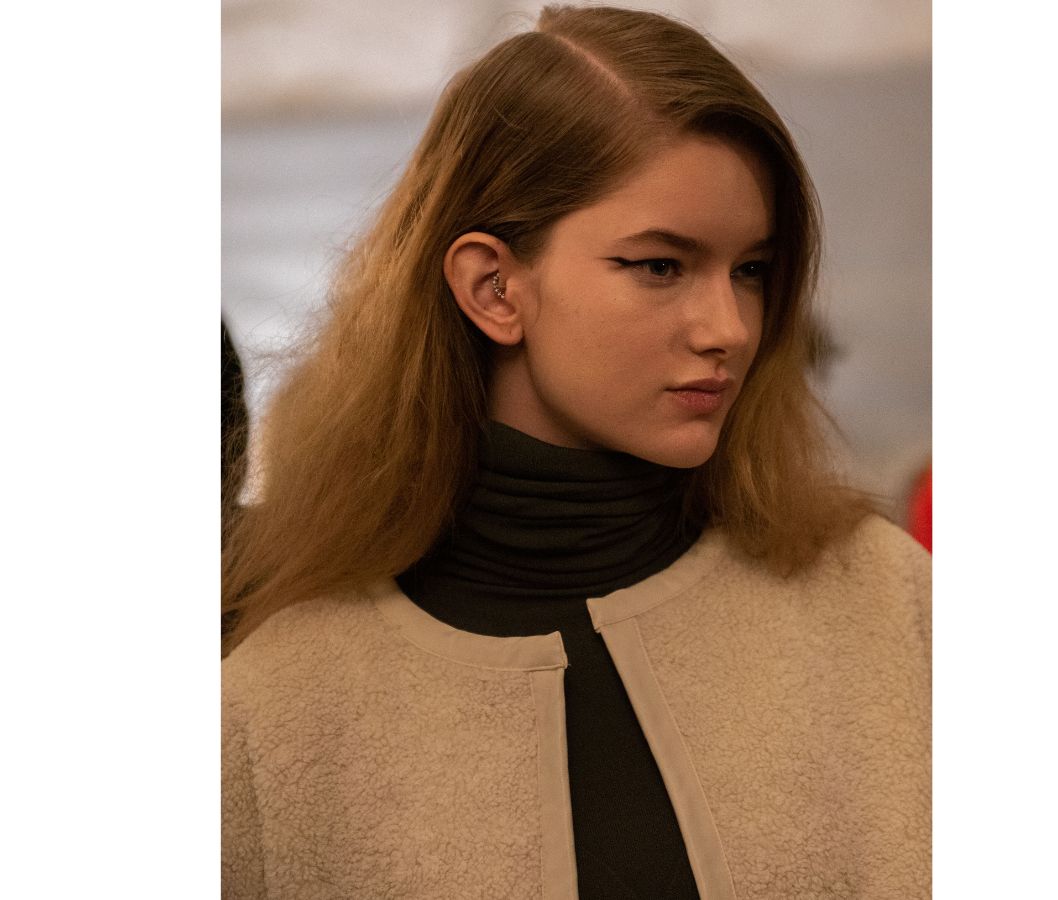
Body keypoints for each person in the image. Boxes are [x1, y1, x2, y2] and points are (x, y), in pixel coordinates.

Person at [222, 6, 930, 898]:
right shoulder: (280, 711)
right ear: (493, 287)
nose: (729, 327)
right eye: (660, 266)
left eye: (751, 269)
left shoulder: (883, 603)